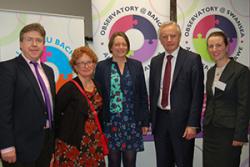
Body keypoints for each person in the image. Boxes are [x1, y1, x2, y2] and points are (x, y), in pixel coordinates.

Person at [149, 21, 204, 167]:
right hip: (160, 121)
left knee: (183, 162)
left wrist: (193, 124)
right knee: (162, 163)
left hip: (183, 123)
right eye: (164, 36)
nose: (169, 40)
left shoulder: (193, 59)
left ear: (179, 37)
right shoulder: (155, 62)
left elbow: (197, 95)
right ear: (160, 40)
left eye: (172, 36)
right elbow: (153, 92)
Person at [0, 23, 56, 167]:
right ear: (20, 43)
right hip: (19, 148)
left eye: (38, 40)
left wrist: (52, 147)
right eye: (29, 39)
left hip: (45, 144)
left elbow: (50, 108)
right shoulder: (8, 68)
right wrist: (6, 145)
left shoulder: (49, 71)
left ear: (43, 45)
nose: (34, 44)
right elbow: (3, 110)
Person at [94, 32, 149, 167]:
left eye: (124, 44)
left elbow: (142, 95)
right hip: (111, 122)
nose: (121, 47)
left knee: (130, 162)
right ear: (111, 47)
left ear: (128, 47)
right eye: (117, 44)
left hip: (132, 122)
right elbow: (97, 96)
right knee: (113, 161)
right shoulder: (102, 67)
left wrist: (145, 122)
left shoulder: (136, 65)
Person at [203, 31, 250, 167]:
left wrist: (240, 135)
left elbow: (244, 105)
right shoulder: (211, 72)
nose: (214, 49)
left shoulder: (241, 71)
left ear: (227, 46)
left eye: (218, 45)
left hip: (229, 133)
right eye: (211, 46)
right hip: (211, 130)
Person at [53, 46, 106, 166]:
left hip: (94, 141)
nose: (86, 66)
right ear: (75, 66)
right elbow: (56, 115)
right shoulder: (68, 88)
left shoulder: (98, 85)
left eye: (89, 62)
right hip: (73, 143)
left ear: (93, 64)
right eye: (81, 63)